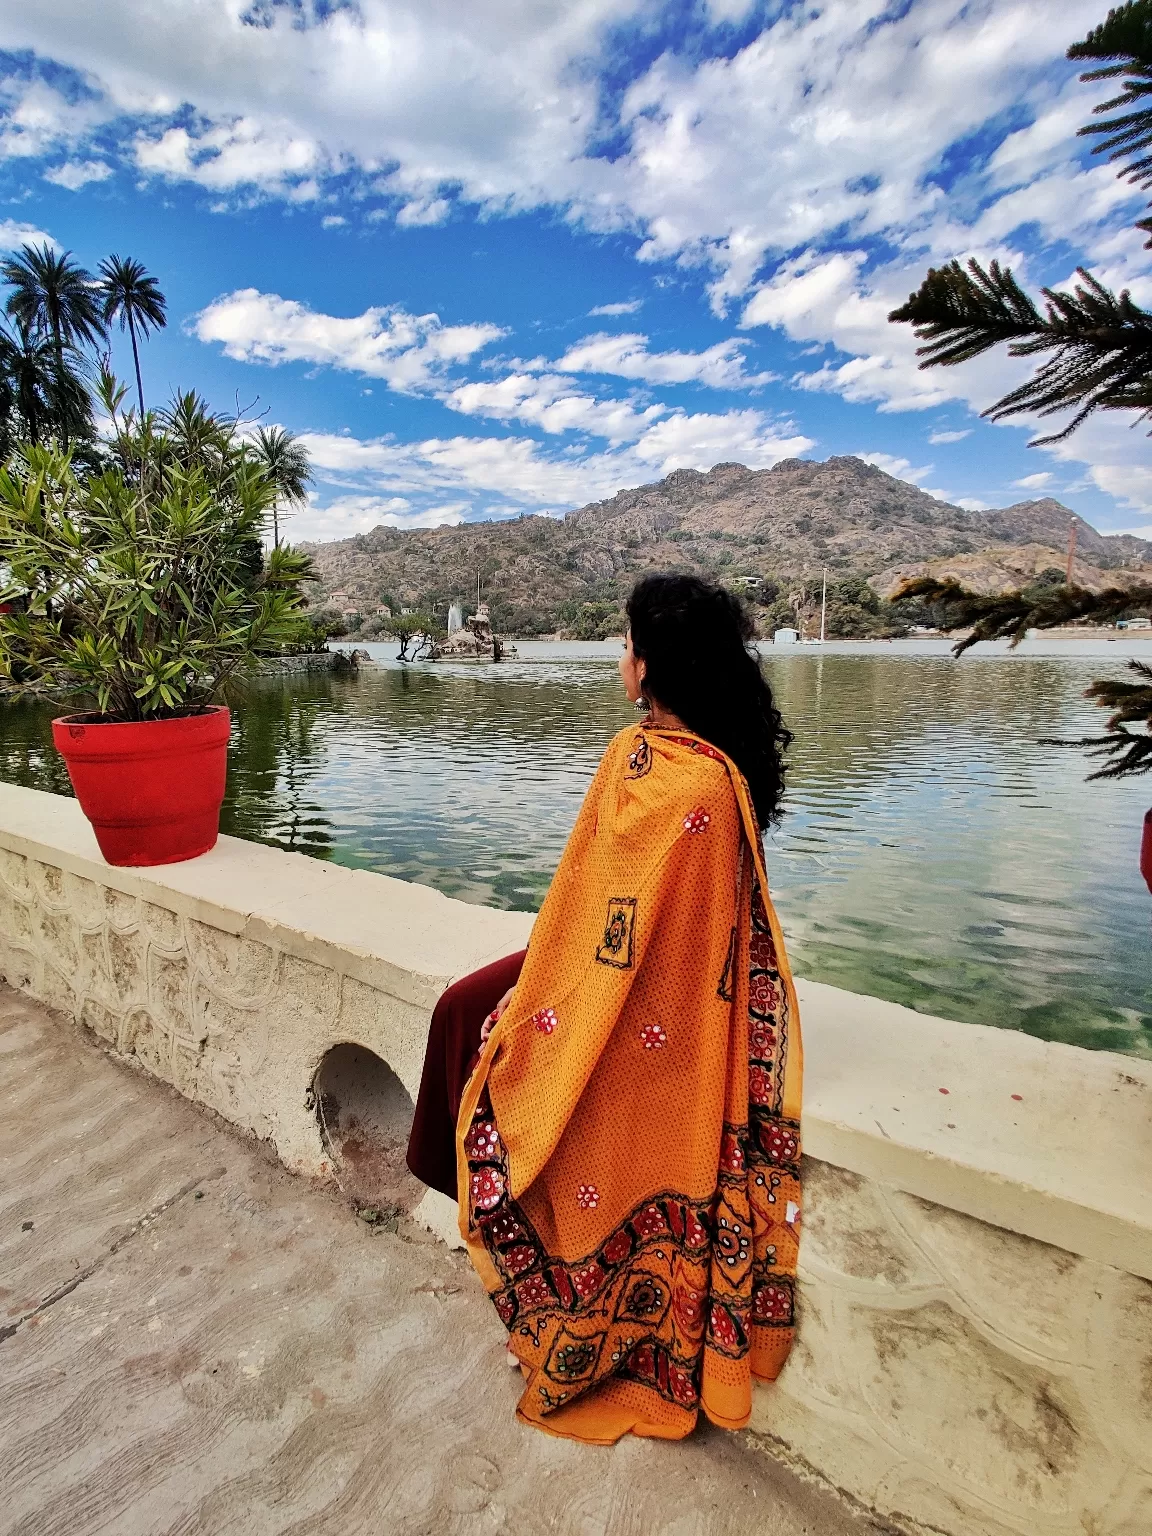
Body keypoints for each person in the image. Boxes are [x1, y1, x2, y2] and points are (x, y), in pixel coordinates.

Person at [406, 572, 802, 1444]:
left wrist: (563, 997)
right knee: (461, 1007)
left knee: (508, 1051)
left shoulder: (702, 787)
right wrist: (543, 980)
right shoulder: (637, 756)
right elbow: (587, 893)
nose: (618, 659)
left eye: (626, 644)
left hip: (663, 992)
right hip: (593, 955)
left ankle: (545, 1285)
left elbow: (689, 942)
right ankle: (499, 1252)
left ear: (653, 663)